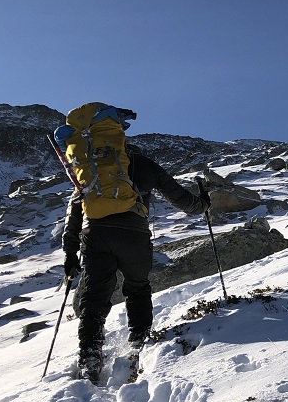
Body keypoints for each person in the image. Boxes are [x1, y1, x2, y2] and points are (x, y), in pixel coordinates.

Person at [62, 143, 210, 383]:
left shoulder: (90, 169)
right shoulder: (144, 164)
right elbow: (181, 199)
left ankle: (90, 357)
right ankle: (138, 342)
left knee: (94, 296)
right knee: (137, 288)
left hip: (95, 235)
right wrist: (203, 203)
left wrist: (69, 253)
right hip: (134, 233)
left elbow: (74, 213)